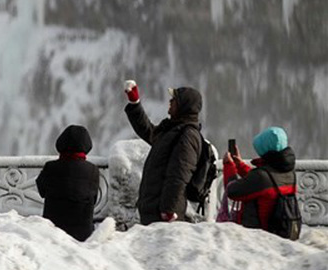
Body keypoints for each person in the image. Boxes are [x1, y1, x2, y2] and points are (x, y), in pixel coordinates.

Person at [123, 80, 203, 225]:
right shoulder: (172, 129)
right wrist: (135, 104)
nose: (170, 102)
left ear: (183, 106)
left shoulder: (188, 135)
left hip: (165, 214)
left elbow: (179, 174)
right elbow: (149, 132)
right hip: (154, 209)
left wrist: (169, 209)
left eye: (174, 100)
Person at [222, 126, 297, 233]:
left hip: (259, 235)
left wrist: (229, 165)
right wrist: (240, 165)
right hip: (282, 228)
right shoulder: (289, 172)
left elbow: (232, 191)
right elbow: (264, 183)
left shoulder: (261, 177)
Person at [36, 124, 101, 241]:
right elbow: (94, 199)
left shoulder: (50, 167)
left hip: (52, 232)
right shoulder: (93, 170)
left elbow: (41, 191)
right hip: (82, 235)